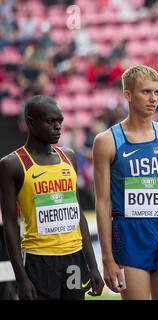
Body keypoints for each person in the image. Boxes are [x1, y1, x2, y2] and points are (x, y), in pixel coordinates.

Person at [93, 65, 158, 300]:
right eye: (146, 92)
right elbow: (103, 203)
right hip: (129, 234)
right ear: (128, 95)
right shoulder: (106, 141)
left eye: (157, 92)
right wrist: (107, 257)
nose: (153, 99)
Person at [0, 95, 104, 300]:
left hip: (74, 260)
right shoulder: (11, 165)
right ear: (30, 122)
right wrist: (21, 279)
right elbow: (10, 225)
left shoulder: (69, 157)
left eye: (60, 121)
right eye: (50, 121)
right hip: (39, 261)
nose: (58, 127)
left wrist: (93, 266)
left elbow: (77, 214)